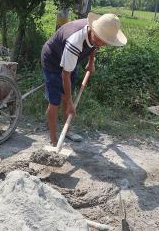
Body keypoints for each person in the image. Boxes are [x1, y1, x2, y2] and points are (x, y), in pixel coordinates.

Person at [41, 12, 127, 146]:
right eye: (98, 39)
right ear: (92, 29)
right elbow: (65, 75)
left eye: (104, 42)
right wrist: (70, 101)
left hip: (70, 61)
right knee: (55, 100)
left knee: (66, 95)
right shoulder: (75, 42)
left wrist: (91, 61)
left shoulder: (99, 32)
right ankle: (53, 140)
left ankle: (66, 131)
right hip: (52, 59)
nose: (100, 43)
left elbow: (94, 46)